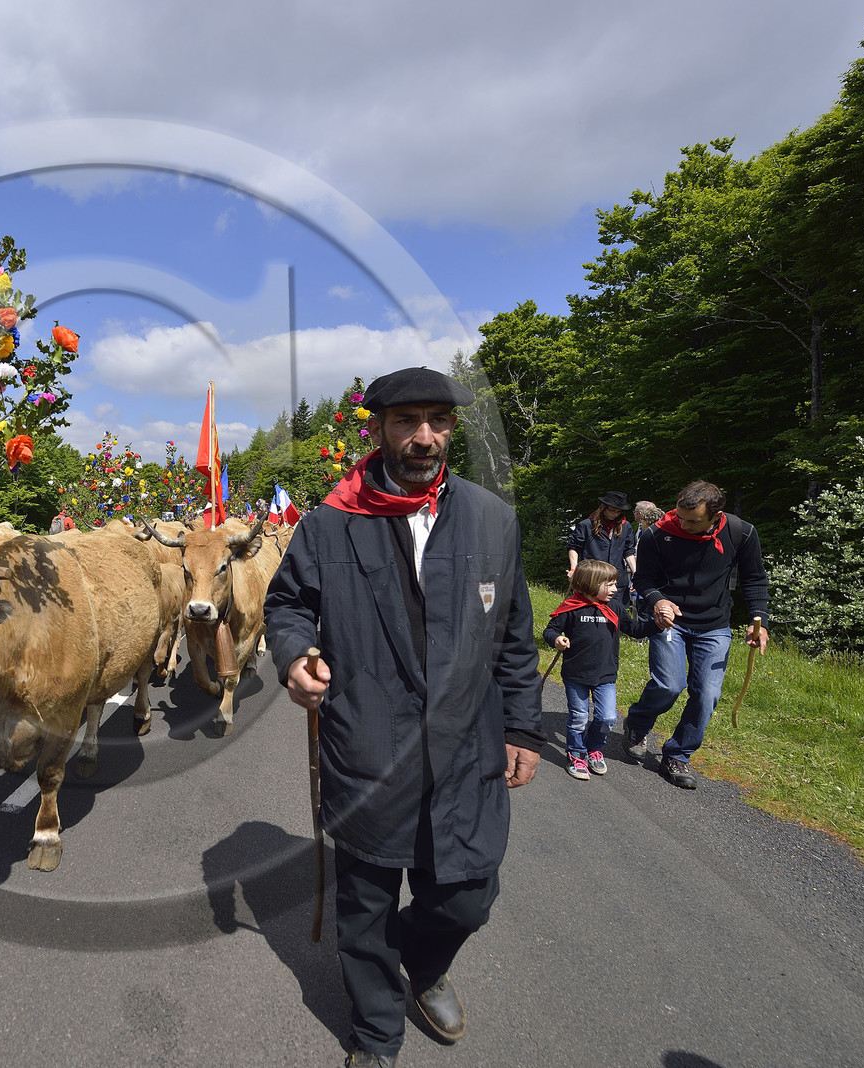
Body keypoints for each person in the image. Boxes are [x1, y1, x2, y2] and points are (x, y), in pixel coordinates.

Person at [265, 366, 543, 1068]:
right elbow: (289, 603)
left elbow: (513, 634)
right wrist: (296, 655)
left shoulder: (492, 518)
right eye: (407, 422)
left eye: (439, 423)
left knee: (468, 897)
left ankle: (423, 964)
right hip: (368, 742)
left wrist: (522, 727)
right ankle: (375, 1033)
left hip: (466, 748)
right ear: (379, 428)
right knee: (364, 911)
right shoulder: (331, 522)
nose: (425, 438)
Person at [624, 481, 770, 789]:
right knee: (669, 684)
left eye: (692, 521)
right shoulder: (656, 535)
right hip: (669, 621)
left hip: (714, 624)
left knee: (707, 695)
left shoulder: (741, 532)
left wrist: (760, 621)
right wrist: (656, 600)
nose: (683, 524)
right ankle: (637, 723)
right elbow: (644, 578)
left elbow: (755, 578)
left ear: (715, 516)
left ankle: (678, 754)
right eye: (680, 516)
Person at [544, 559, 653, 780]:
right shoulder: (572, 606)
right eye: (610, 584)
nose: (615, 589)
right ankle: (576, 753)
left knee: (607, 717)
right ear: (590, 583)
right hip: (576, 674)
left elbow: (634, 629)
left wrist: (656, 624)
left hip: (605, 675)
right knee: (579, 717)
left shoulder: (615, 607)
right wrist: (557, 639)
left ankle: (594, 749)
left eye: (615, 584)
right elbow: (551, 629)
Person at [567, 491, 638, 612]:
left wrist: (636, 574)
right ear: (603, 508)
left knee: (616, 614)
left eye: (618, 511)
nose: (615, 514)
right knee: (591, 612)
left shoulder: (625, 526)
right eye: (612, 510)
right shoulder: (586, 525)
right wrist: (574, 569)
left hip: (616, 581)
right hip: (592, 577)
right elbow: (574, 547)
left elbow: (629, 551)